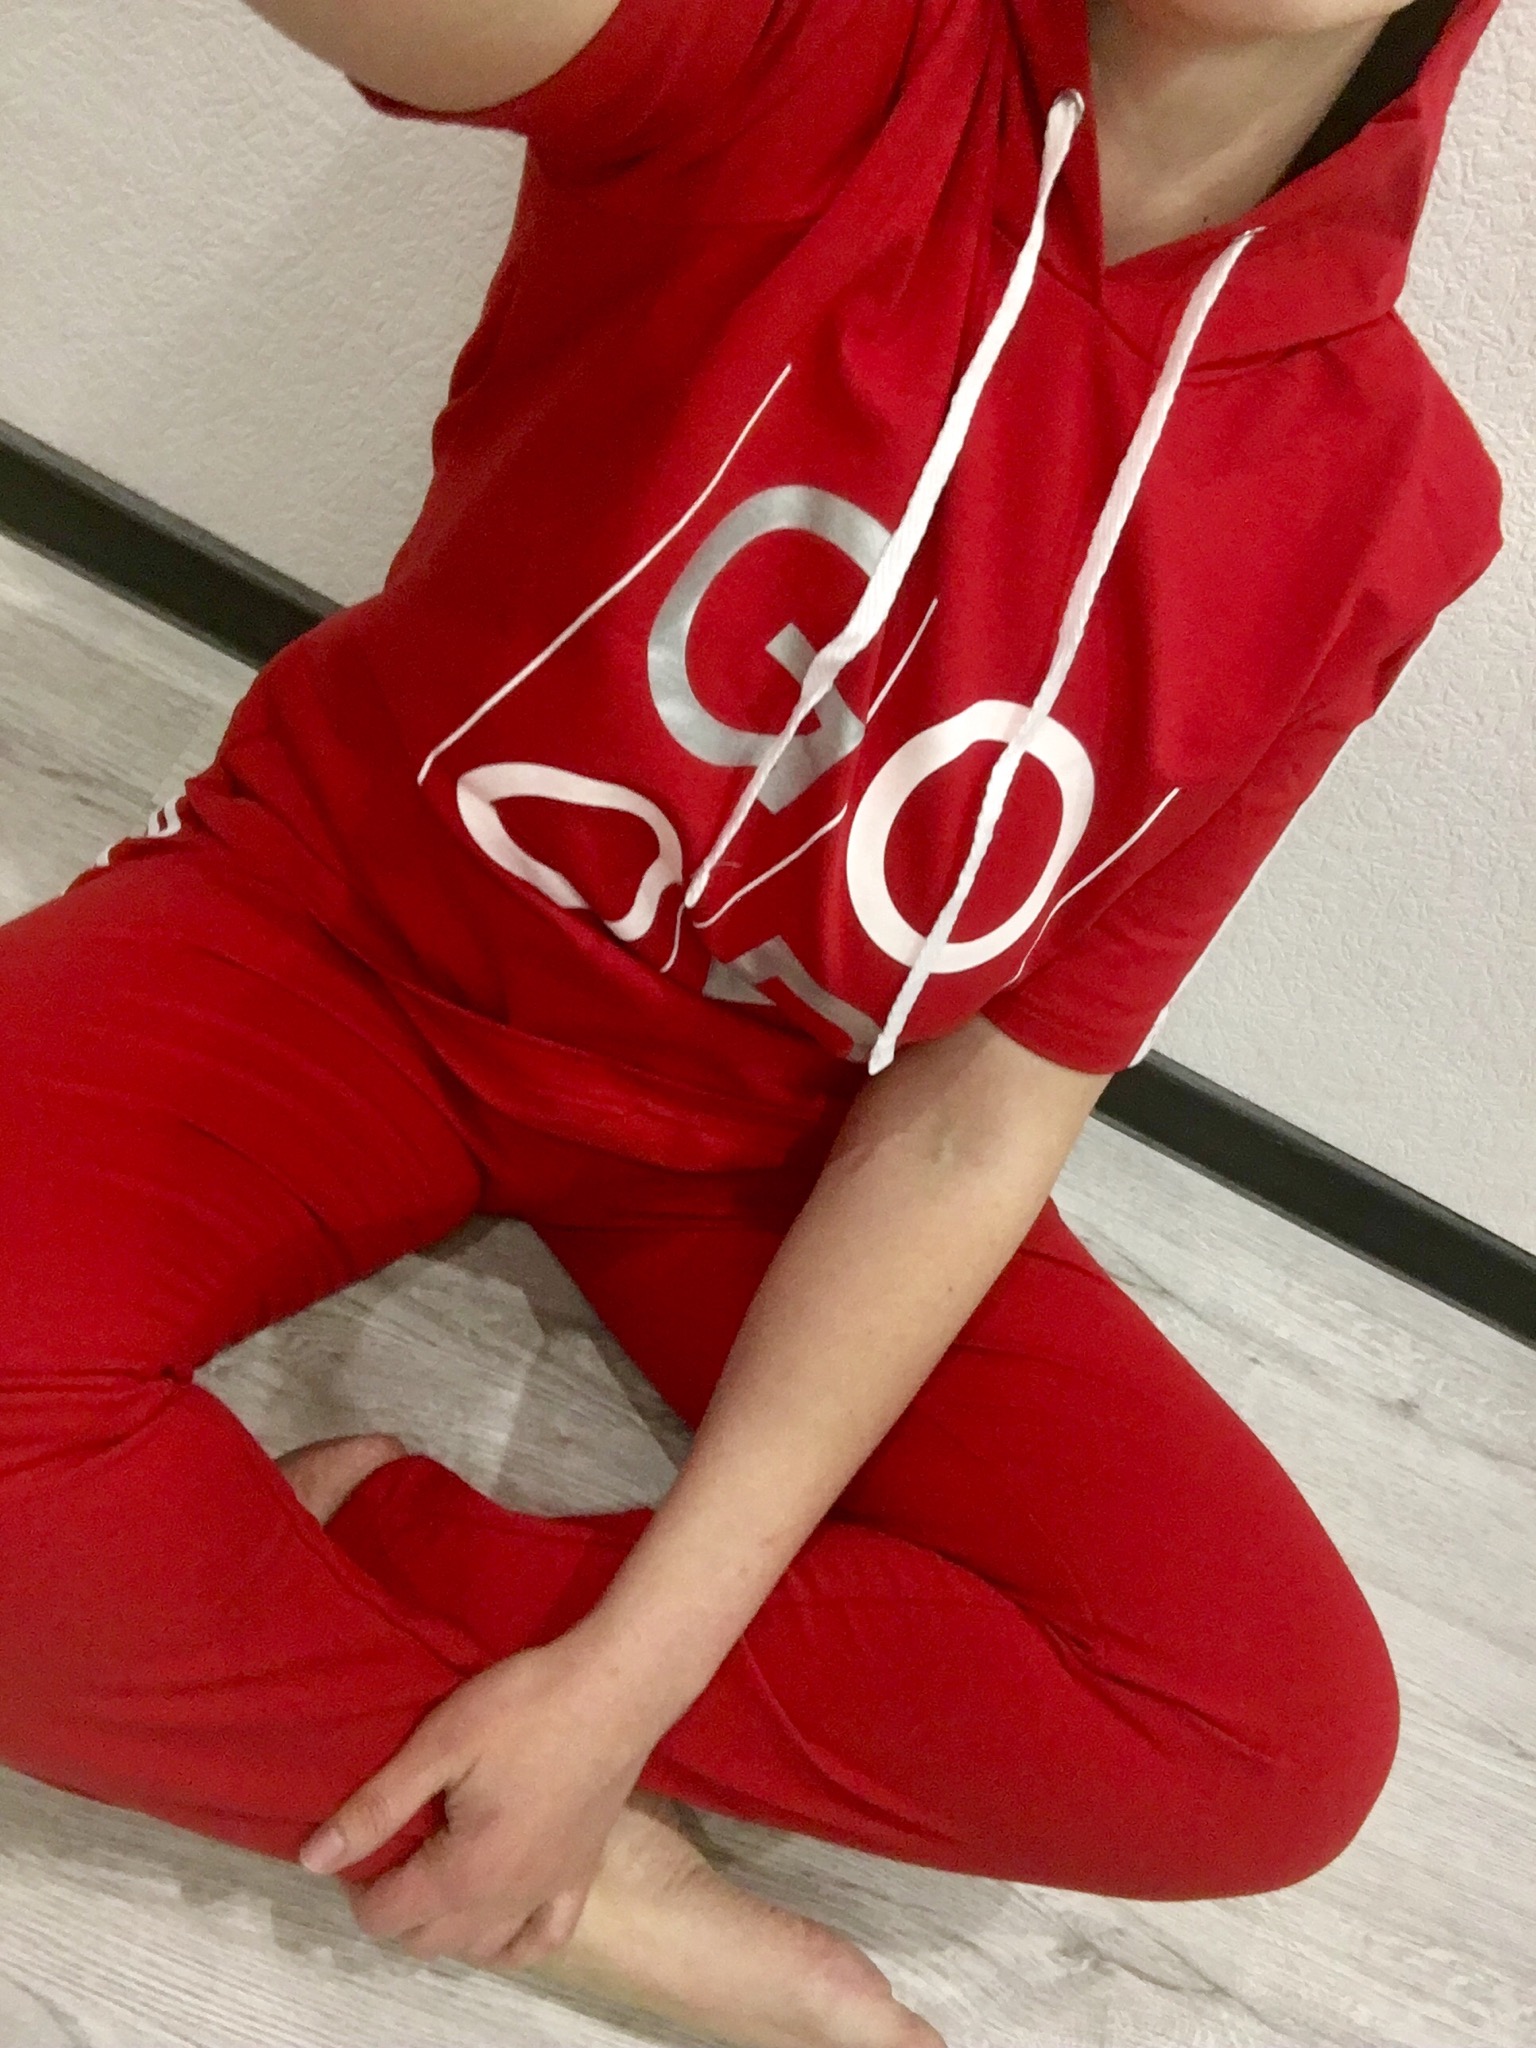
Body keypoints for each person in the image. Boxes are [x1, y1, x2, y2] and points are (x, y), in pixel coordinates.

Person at [0, 1, 1504, 2044]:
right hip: (344, 935)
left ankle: (388, 1596)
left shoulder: (1392, 501)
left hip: (772, 1132)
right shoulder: (815, 50)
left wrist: (616, 1676)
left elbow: (983, 1114)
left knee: (1260, 1739)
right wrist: (579, 1842)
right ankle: (547, 1882)